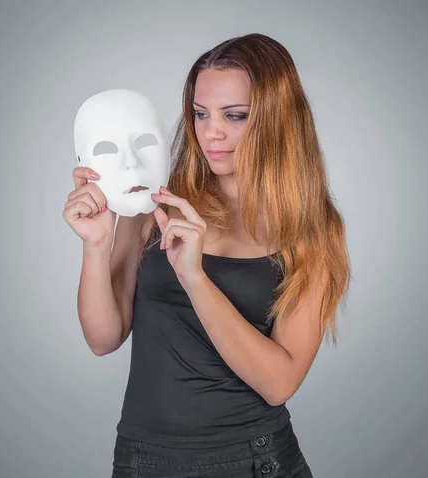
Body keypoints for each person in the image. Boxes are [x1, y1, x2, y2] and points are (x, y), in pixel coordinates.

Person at [63, 33, 351, 478]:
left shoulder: (310, 229)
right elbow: (104, 339)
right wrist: (96, 245)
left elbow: (279, 384)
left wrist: (194, 277)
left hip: (256, 459)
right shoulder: (160, 201)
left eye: (234, 116)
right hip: (144, 458)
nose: (210, 132)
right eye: (200, 113)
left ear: (277, 119)